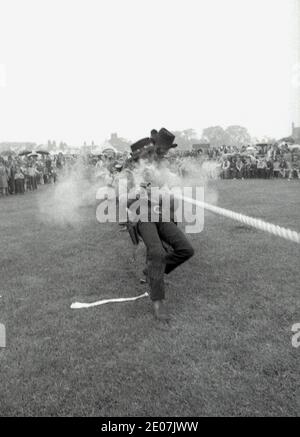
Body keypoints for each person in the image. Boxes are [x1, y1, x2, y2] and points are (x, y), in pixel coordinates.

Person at [125, 129, 194, 322]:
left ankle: (152, 272)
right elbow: (124, 201)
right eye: (146, 155)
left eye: (151, 154)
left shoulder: (159, 172)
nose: (150, 158)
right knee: (157, 252)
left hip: (160, 215)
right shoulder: (129, 173)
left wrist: (169, 193)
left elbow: (170, 200)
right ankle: (158, 303)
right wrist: (139, 190)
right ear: (138, 157)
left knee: (186, 249)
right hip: (142, 217)